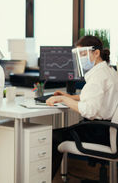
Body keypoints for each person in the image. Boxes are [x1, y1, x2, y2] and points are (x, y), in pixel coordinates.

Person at [46, 35, 118, 178]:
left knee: (53, 137)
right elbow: (98, 97)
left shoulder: (98, 76)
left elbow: (89, 111)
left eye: (83, 54)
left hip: (99, 131)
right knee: (61, 132)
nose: (80, 58)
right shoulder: (109, 71)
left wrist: (61, 99)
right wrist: (70, 97)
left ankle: (45, 179)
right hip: (107, 130)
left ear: (96, 53)